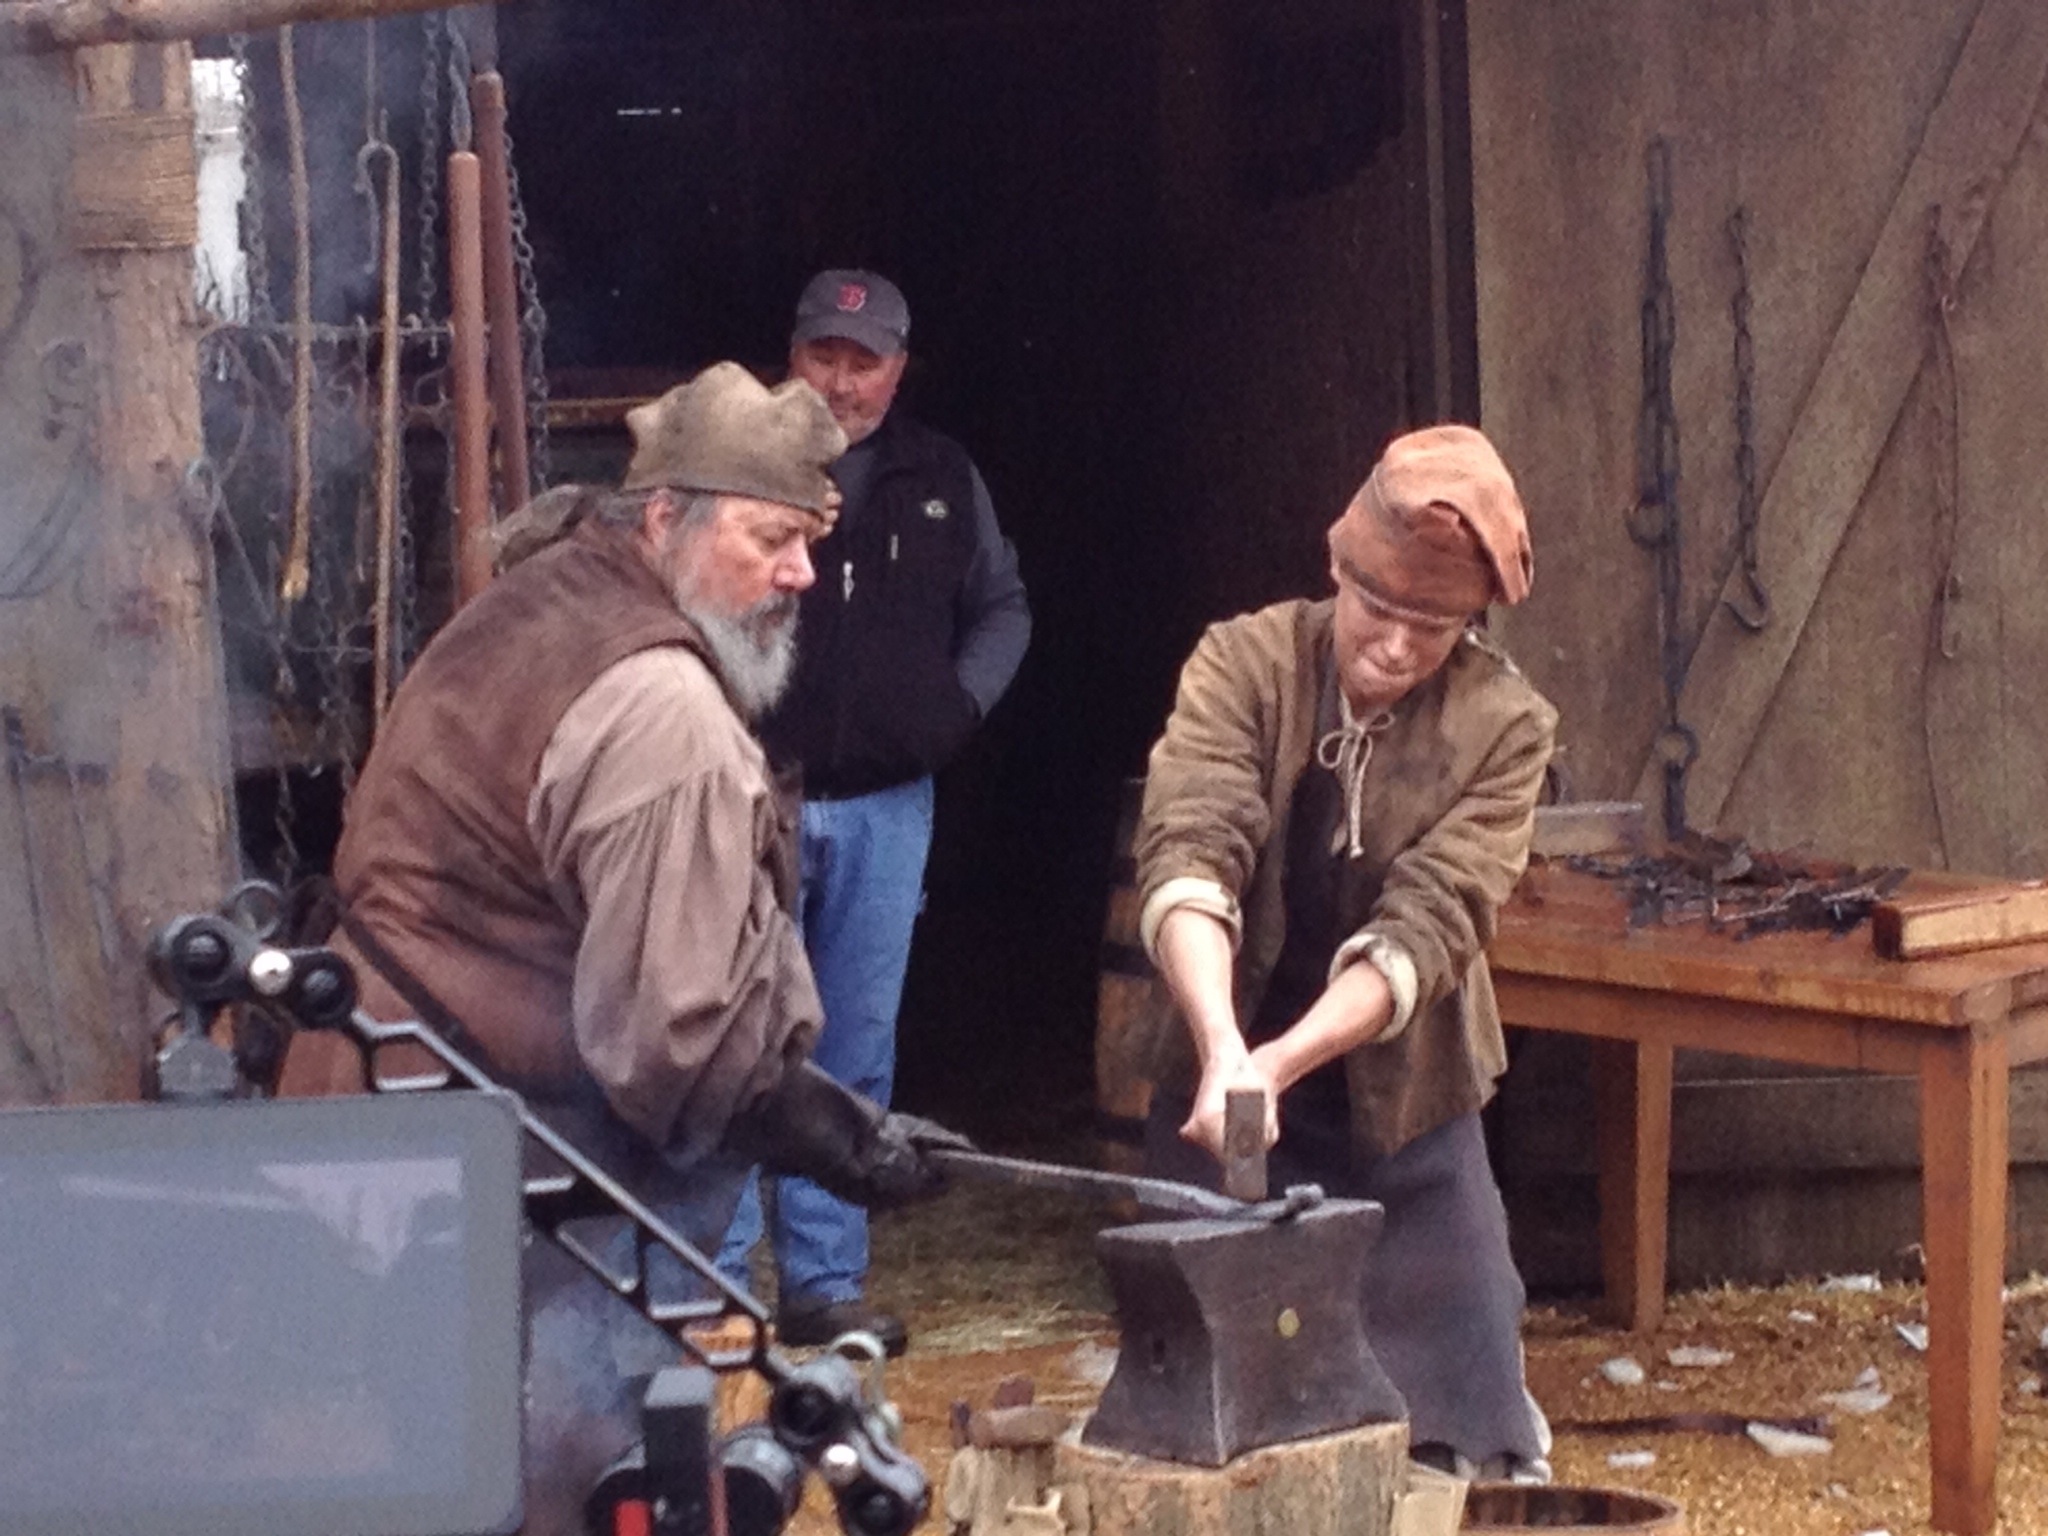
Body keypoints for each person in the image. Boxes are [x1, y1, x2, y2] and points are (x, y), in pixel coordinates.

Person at [279, 361, 959, 1533]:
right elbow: (674, 1043)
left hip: (385, 1124)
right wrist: (833, 1133)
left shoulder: (542, 600)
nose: (801, 574)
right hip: (495, 1190)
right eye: (767, 540)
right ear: (662, 517)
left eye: (807, 541)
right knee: (560, 1498)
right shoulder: (665, 716)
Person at [1132, 423, 1557, 1483]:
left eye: (1436, 625)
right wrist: (1227, 1049)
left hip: (1403, 1105)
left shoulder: (1505, 726)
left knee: (1467, 1424)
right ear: (1336, 567)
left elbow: (1431, 919)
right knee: (1213, 1418)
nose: (1400, 647)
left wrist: (1281, 1064)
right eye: (1381, 610)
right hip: (1216, 1078)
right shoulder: (1242, 663)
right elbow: (1190, 846)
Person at [718, 269, 1031, 1355]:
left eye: (866, 362)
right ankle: (716, 1292)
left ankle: (820, 1282)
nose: (842, 382)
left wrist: (954, 709)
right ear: (790, 355)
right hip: (751, 795)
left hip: (891, 804)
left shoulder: (938, 474)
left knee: (852, 1043)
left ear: (897, 370)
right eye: (823, 356)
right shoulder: (734, 463)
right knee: (726, 1034)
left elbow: (1002, 605)